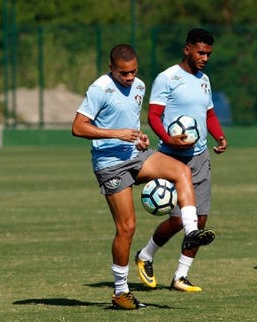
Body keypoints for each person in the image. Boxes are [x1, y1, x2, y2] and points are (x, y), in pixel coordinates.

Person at [71, 43, 215, 310]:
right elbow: (78, 127)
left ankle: (192, 231)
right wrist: (118, 134)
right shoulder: (99, 88)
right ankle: (120, 292)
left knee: (181, 170)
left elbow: (130, 124)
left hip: (135, 155)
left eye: (133, 72)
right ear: (111, 68)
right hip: (110, 164)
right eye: (123, 73)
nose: (129, 78)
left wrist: (138, 138)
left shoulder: (139, 86)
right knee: (127, 228)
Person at [134, 28, 226, 292]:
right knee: (178, 221)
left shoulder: (204, 79)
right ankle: (145, 255)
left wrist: (219, 136)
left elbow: (208, 114)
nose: (205, 58)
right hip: (172, 157)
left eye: (208, 54)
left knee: (201, 220)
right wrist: (169, 138)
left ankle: (180, 277)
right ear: (187, 49)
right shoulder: (167, 78)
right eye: (201, 52)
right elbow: (153, 115)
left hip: (200, 156)